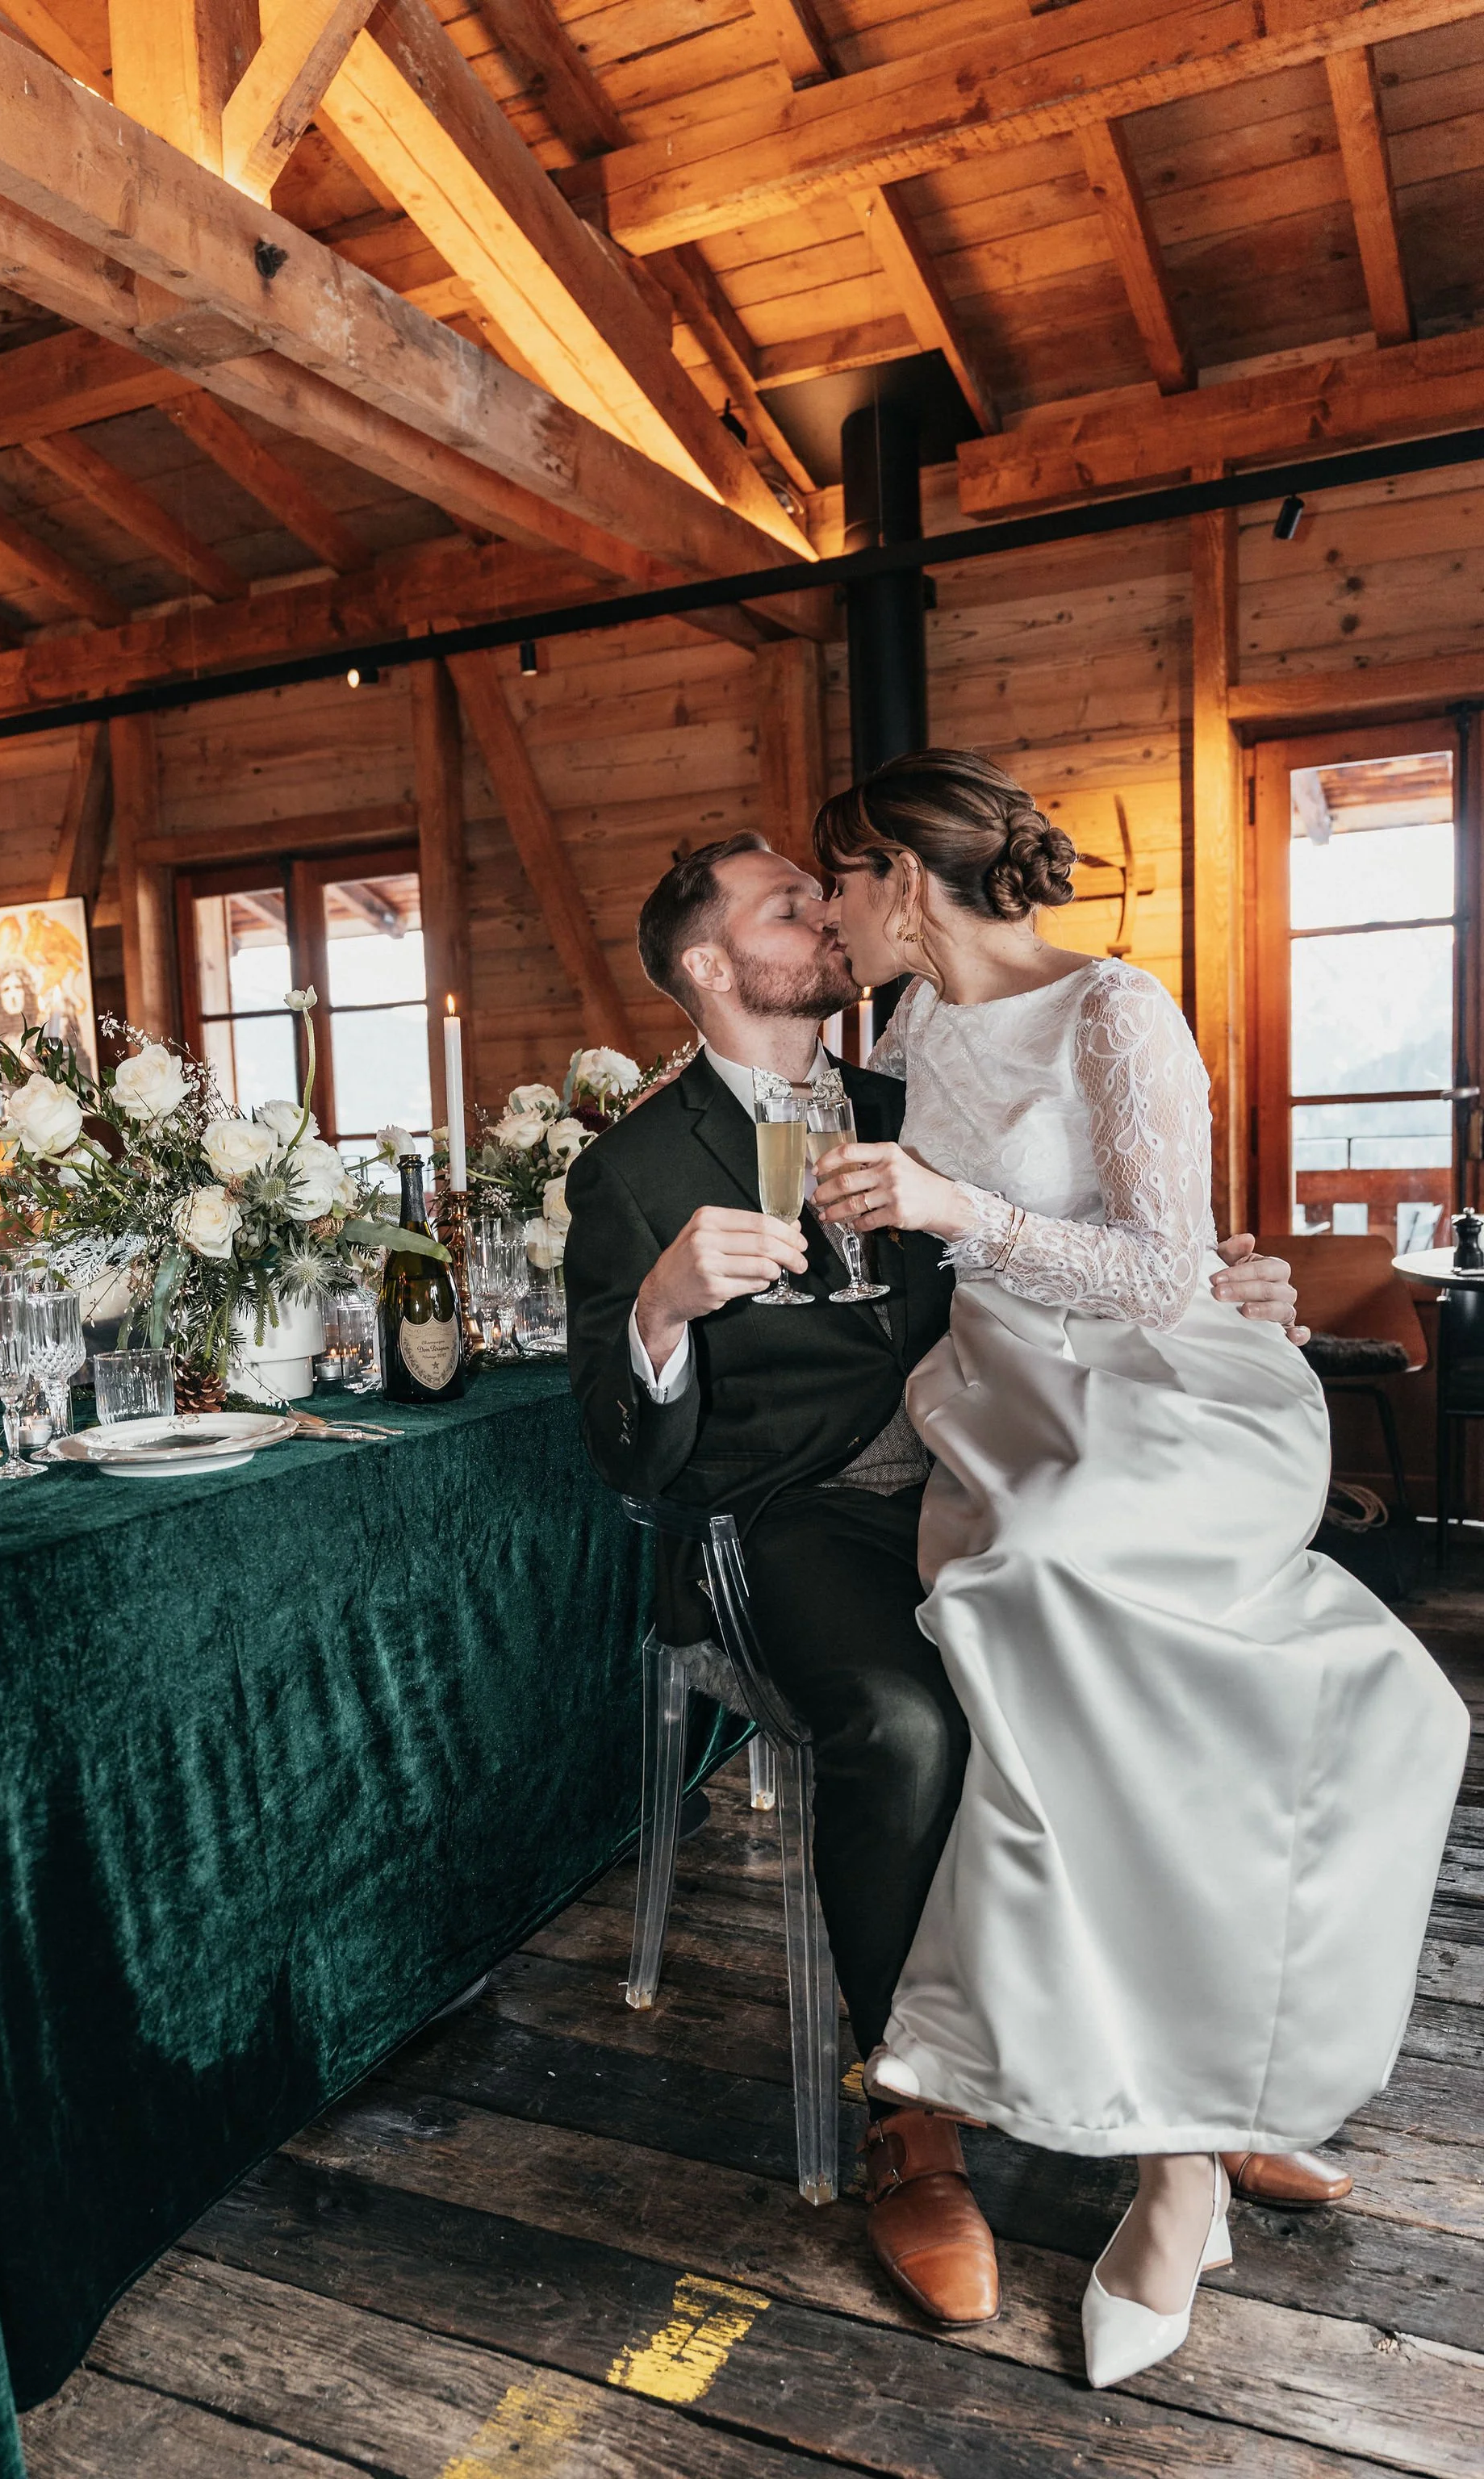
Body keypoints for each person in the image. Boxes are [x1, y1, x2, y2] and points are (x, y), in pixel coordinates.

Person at [563, 827, 1345, 2339]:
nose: (828, 913)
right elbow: (615, 1444)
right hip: (785, 1520)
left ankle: (1176, 2088)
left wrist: (1220, 1281)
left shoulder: (913, 1094)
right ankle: (910, 2116)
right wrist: (661, 1306)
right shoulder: (635, 1167)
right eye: (788, 905)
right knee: (914, 1725)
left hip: (981, 1481)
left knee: (1142, 1673)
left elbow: (1080, 1246)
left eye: (824, 887)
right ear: (713, 968)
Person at [808, 751, 1469, 2388]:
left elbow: (1170, 1266)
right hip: (996, 1395)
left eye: (839, 879)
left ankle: (1176, 2159)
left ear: (902, 877)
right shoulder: (908, 1029)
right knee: (1040, 1624)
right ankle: (1177, 2131)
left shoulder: (1115, 1008)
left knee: (1057, 1584)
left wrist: (955, 1201)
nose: (827, 913)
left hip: (1157, 1385)